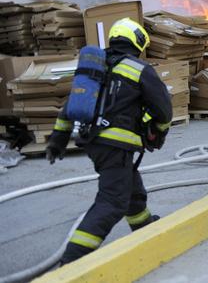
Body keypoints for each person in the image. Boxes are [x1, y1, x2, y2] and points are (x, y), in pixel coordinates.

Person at [45, 18, 172, 264]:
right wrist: (158, 132)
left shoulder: (95, 68)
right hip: (116, 144)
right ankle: (72, 261)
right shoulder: (139, 69)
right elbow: (164, 110)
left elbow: (69, 107)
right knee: (113, 201)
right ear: (137, 41)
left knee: (131, 190)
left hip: (95, 143)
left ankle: (144, 229)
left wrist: (56, 142)